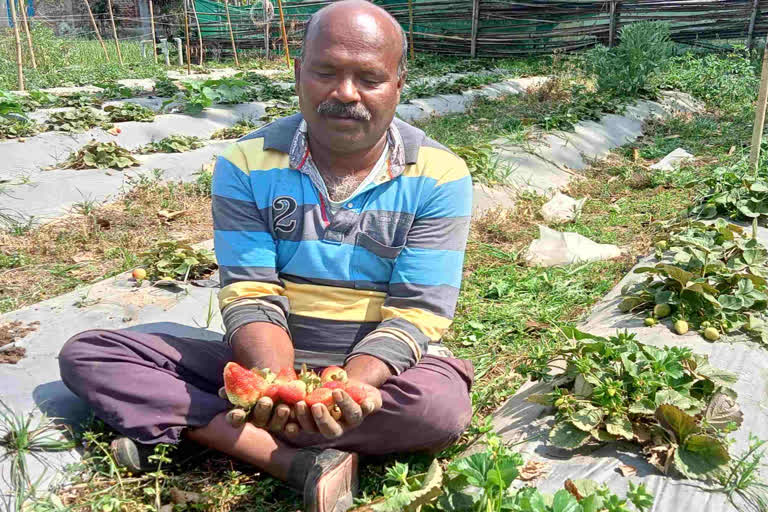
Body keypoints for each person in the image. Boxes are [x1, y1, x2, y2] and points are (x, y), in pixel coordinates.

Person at [58, 1, 474, 510]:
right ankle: (293, 461)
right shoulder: (245, 163)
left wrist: (350, 393)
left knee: (439, 408)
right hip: (269, 355)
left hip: (376, 373)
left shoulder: (440, 174)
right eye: (326, 72)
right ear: (299, 72)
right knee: (91, 353)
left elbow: (417, 310)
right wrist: (276, 388)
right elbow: (251, 292)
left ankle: (209, 434)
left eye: (369, 77)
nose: (346, 93)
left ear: (397, 84)